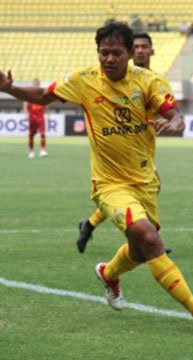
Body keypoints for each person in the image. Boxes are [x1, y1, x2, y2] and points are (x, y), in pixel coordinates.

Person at [0, 22, 193, 327]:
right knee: (150, 239)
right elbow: (43, 95)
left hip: (145, 181)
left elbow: (173, 113)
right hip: (109, 184)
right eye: (104, 53)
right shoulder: (84, 80)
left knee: (140, 251)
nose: (109, 59)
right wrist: (8, 88)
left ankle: (108, 273)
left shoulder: (148, 81)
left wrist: (176, 122)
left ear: (128, 54)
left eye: (116, 53)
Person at [76, 32, 172, 255]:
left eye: (144, 47)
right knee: (128, 193)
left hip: (143, 151)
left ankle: (90, 224)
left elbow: (163, 111)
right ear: (131, 51)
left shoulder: (154, 80)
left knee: (140, 191)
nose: (140, 51)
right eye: (136, 47)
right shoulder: (114, 77)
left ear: (151, 51)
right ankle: (150, 242)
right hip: (119, 154)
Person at [23, 78, 48, 158]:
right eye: (35, 84)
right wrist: (26, 113)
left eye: (37, 84)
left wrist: (47, 114)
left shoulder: (42, 93)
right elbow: (25, 103)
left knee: (42, 134)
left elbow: (46, 103)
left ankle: (42, 150)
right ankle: (31, 151)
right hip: (32, 117)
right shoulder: (29, 93)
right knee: (31, 135)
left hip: (41, 116)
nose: (36, 85)